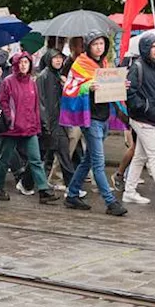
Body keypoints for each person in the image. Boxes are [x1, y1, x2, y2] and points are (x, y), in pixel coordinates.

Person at [60, 31, 127, 216]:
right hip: (91, 121)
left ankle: (72, 195)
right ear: (88, 46)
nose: (99, 47)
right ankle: (110, 202)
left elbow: (111, 90)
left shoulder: (105, 64)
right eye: (95, 44)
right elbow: (69, 88)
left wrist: (122, 85)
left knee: (88, 159)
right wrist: (86, 86)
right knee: (98, 163)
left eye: (102, 44)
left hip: (104, 118)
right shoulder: (80, 64)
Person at [117, 33, 155, 209]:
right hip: (143, 119)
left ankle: (129, 192)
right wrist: (146, 108)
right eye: (152, 46)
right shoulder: (137, 67)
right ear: (145, 48)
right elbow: (130, 94)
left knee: (140, 156)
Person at [0, 51, 61, 205]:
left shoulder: (32, 82)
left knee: (36, 160)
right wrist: (10, 119)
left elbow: (36, 106)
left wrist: (37, 125)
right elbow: (2, 102)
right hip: (12, 129)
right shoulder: (8, 81)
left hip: (29, 128)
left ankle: (43, 190)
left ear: (30, 65)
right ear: (16, 64)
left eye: (26, 62)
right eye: (21, 62)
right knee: (5, 159)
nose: (23, 65)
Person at [38, 49, 75, 191]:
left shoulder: (59, 76)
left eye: (60, 58)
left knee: (62, 154)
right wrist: (45, 124)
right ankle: (73, 188)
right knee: (42, 156)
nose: (59, 60)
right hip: (49, 123)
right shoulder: (44, 76)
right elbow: (41, 103)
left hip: (59, 122)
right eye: (55, 58)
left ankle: (72, 187)